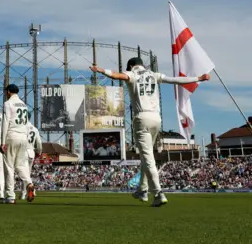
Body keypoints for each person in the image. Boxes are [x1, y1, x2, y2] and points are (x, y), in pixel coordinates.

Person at [90, 57, 210, 207]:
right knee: (147, 157)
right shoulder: (154, 74)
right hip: (156, 119)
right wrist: (199, 78)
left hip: (142, 119)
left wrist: (101, 70)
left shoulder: (132, 74)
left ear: (131, 66)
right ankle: (142, 190)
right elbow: (176, 80)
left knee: (148, 158)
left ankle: (158, 193)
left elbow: (116, 75)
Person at [0, 84, 35, 204]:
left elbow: (6, 122)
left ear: (8, 92)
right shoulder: (24, 105)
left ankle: (10, 196)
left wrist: (2, 141)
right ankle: (29, 183)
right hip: (23, 137)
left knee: (9, 167)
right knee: (20, 165)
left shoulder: (8, 103)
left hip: (12, 135)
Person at [21, 116, 42, 200]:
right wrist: (39, 153)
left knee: (23, 174)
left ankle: (24, 193)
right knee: (27, 174)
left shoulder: (21, 127)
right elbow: (39, 143)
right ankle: (29, 191)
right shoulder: (35, 129)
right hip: (31, 152)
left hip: (23, 151)